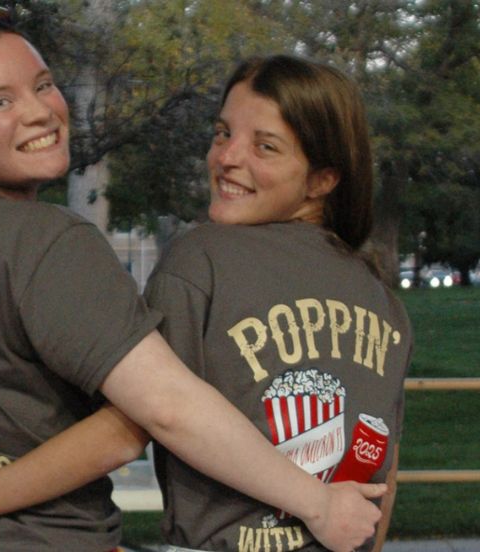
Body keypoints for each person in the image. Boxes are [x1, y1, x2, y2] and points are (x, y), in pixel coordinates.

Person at [0, 7, 385, 551]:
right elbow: (156, 414)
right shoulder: (47, 242)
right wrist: (318, 504)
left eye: (43, 85)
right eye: (0, 102)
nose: (39, 112)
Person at [143, 55, 414, 552]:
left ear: (322, 179)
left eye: (265, 147)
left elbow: (150, 416)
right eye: (223, 133)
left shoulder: (199, 260)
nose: (227, 158)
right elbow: (383, 478)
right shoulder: (383, 301)